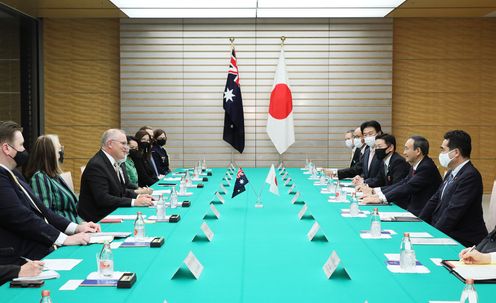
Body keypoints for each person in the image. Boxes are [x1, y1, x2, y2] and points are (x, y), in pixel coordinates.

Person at [0, 121, 99, 264]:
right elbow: (20, 216)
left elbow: (43, 210)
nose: (24, 150)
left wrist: (76, 228)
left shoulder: (13, 174)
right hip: (19, 258)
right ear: (6, 148)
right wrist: (64, 239)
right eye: (21, 145)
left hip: (38, 249)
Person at [419, 130, 487, 247]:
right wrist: (418, 223)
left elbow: (453, 212)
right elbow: (434, 200)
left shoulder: (470, 175)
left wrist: (433, 236)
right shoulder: (452, 172)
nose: (441, 154)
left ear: (455, 152)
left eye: (443, 150)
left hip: (463, 239)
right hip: (447, 232)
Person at [78, 129, 153, 223]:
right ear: (110, 144)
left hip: (112, 211)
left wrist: (138, 196)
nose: (127, 148)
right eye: (123, 143)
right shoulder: (97, 165)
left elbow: (120, 191)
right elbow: (103, 199)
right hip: (98, 219)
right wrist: (134, 202)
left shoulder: (112, 162)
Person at [360, 136, 442, 216]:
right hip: (412, 208)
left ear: (417, 151)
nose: (404, 152)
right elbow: (403, 183)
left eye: (406, 149)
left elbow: (408, 186)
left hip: (423, 213)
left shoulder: (426, 167)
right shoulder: (416, 165)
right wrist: (377, 193)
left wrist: (381, 198)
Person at [24, 135, 83, 223]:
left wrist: (82, 224)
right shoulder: (39, 178)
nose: (60, 154)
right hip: (65, 233)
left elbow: (72, 210)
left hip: (76, 227)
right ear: (49, 153)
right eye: (58, 150)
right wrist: (77, 228)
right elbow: (46, 215)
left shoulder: (55, 175)